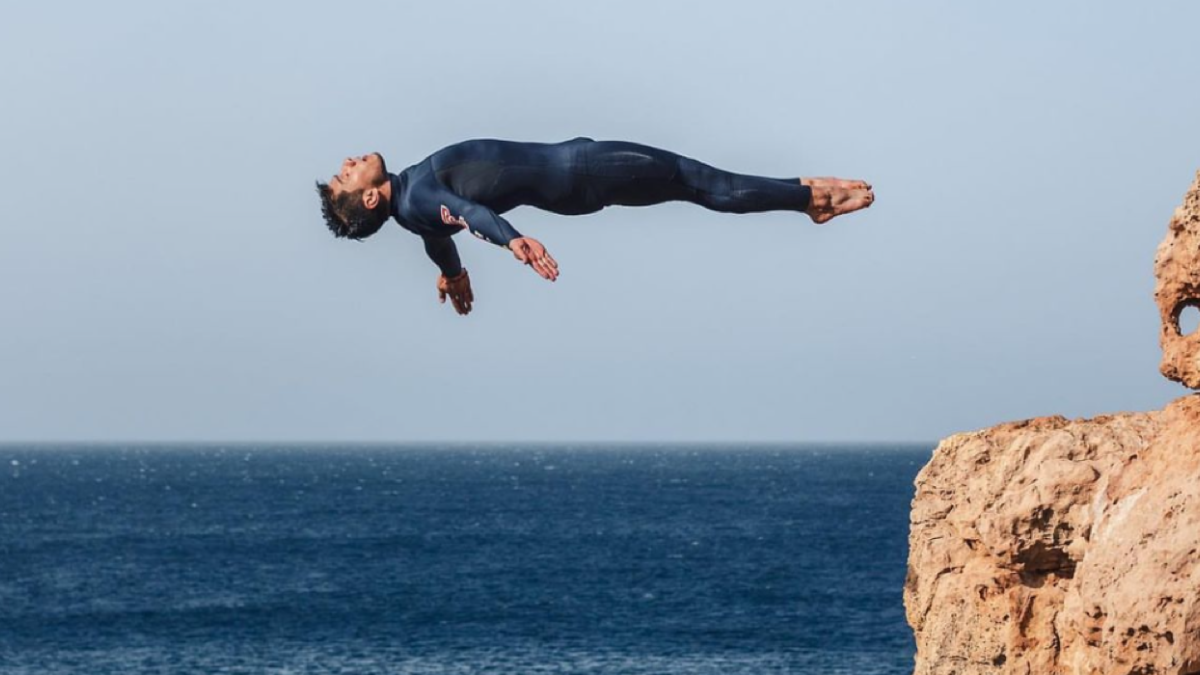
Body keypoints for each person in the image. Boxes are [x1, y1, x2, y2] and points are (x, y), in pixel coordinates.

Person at [315, 138, 874, 316]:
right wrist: (513, 241)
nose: (347, 162)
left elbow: (441, 236)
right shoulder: (419, 194)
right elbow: (468, 216)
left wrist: (454, 274)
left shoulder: (412, 208)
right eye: (345, 176)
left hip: (577, 178)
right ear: (368, 195)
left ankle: (798, 191)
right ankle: (808, 199)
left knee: (697, 184)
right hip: (582, 173)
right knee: (699, 182)